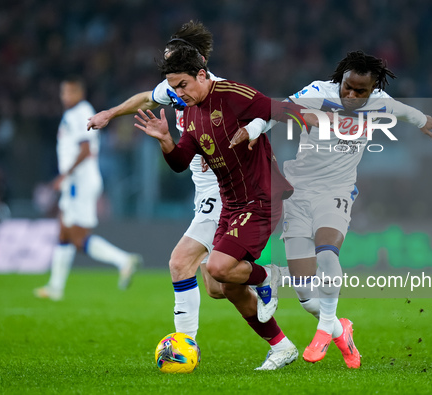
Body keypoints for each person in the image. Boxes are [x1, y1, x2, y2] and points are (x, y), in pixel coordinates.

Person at [232, 50, 432, 368]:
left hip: (337, 191)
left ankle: (323, 330)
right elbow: (276, 111)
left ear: (372, 89)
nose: (352, 94)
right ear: (340, 80)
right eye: (348, 86)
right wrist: (252, 131)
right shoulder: (318, 92)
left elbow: (403, 111)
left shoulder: (379, 101)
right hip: (298, 192)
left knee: (328, 253)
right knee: (307, 298)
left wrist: (423, 121)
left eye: (361, 91)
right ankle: (339, 328)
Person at [133, 44, 323, 370]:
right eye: (174, 88)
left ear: (202, 75)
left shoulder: (234, 94)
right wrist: (166, 140)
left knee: (219, 267)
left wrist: (275, 125)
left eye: (183, 85)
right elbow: (180, 162)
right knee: (220, 286)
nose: (179, 93)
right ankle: (282, 346)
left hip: (262, 197)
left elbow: (278, 110)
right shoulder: (190, 113)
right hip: (232, 204)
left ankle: (269, 276)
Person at [86, 21, 267, 340]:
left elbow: (264, 116)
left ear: (197, 65)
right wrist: (110, 114)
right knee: (216, 286)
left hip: (224, 192)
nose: (171, 78)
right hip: (203, 192)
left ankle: (185, 345)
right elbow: (146, 98)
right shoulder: (175, 88)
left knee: (181, 262)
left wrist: (244, 145)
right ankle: (283, 331)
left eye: (174, 61)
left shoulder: (221, 92)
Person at [34, 77, 142, 301]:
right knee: (64, 231)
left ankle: (123, 260)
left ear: (79, 93)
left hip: (78, 182)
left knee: (77, 236)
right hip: (76, 181)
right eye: (63, 92)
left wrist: (64, 175)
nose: (65, 97)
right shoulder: (72, 114)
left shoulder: (80, 112)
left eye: (70, 92)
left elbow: (85, 149)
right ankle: (55, 287)